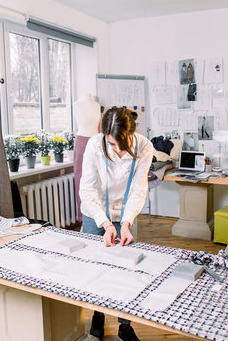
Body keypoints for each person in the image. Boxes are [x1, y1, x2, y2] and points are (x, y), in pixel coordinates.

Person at [79, 106, 154, 341]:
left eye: (123, 143)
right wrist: (105, 223)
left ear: (132, 132)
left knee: (128, 268)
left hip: (126, 214)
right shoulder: (94, 145)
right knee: (96, 266)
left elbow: (139, 188)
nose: (119, 150)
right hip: (96, 212)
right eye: (112, 144)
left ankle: (124, 325)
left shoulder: (144, 146)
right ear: (104, 136)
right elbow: (88, 189)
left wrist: (126, 221)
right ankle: (98, 315)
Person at [73, 94, 102, 223]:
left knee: (99, 179)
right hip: (82, 143)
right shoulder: (77, 105)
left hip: (97, 141)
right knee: (82, 180)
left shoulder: (96, 105)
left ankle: (100, 214)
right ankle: (83, 218)